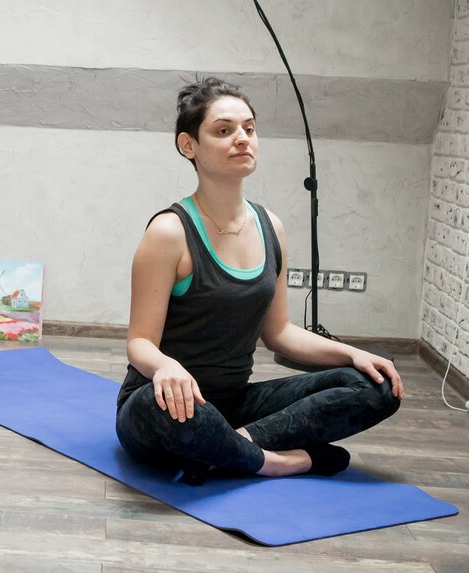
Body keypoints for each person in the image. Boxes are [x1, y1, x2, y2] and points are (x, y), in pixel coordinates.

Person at [115, 77, 403, 485]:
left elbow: (279, 333)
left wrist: (354, 354)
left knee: (376, 385)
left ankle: (231, 449)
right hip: (168, 403)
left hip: (235, 405)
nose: (242, 139)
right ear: (188, 145)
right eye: (223, 130)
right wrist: (165, 367)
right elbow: (140, 342)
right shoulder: (169, 232)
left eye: (249, 129)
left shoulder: (271, 226)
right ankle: (282, 461)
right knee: (163, 410)